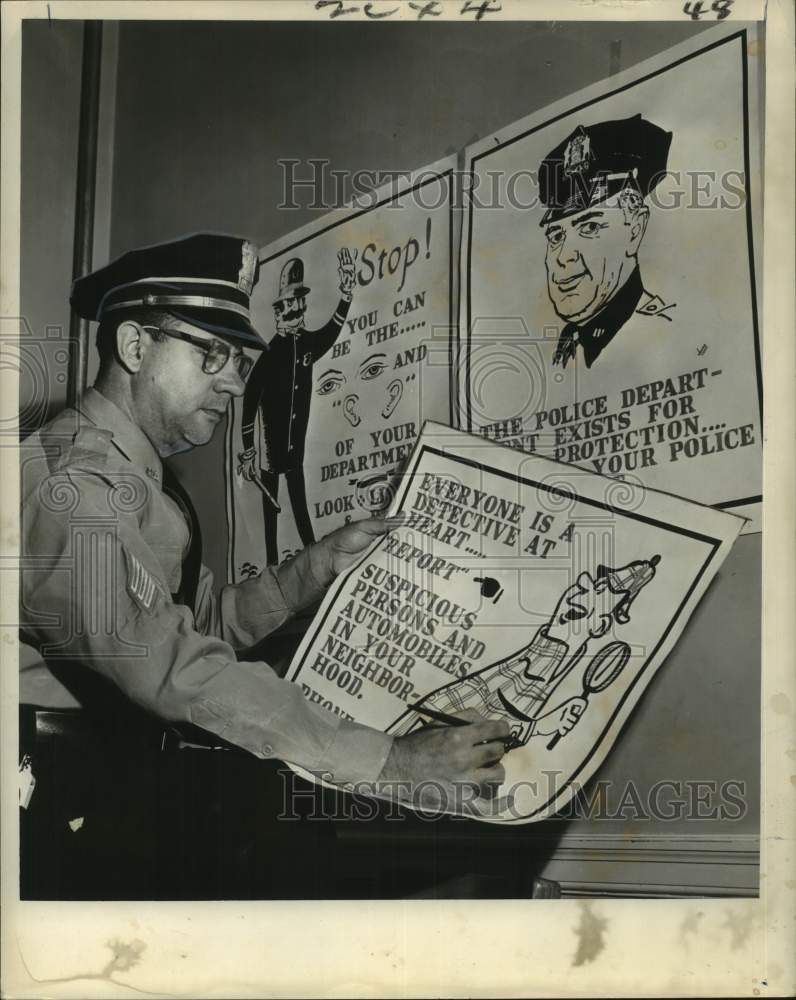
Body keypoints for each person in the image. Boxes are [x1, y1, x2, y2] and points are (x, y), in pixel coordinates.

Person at [19, 233, 510, 898]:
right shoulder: (77, 486)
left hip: (98, 781)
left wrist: (309, 571)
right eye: (210, 353)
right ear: (135, 347)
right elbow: (167, 664)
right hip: (50, 794)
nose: (231, 379)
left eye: (239, 360)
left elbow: (188, 625)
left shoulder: (123, 471)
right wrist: (389, 762)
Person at [238, 252, 355, 565]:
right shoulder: (270, 354)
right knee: (271, 511)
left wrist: (346, 296)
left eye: (298, 301)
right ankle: (272, 565)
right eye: (288, 304)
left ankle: (313, 554)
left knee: (300, 504)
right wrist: (249, 452)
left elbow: (330, 333)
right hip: (269, 451)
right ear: (279, 310)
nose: (294, 309)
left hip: (295, 450)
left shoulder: (306, 344)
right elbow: (248, 403)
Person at [538, 114, 675, 369]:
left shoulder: (667, 331)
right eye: (556, 235)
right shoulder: (564, 348)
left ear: (634, 231)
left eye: (590, 227)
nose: (563, 256)